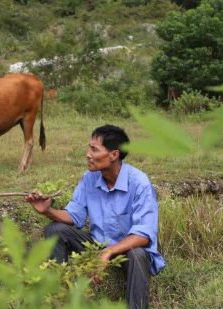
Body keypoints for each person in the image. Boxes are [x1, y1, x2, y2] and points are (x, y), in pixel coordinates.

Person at [26, 124, 165, 309]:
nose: (88, 154)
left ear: (113, 155)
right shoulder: (89, 178)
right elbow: (74, 216)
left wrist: (108, 252)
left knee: (137, 254)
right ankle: (57, 298)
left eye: (94, 149)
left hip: (126, 250)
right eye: (89, 148)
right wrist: (47, 211)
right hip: (96, 245)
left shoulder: (139, 183)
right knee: (55, 229)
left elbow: (143, 236)